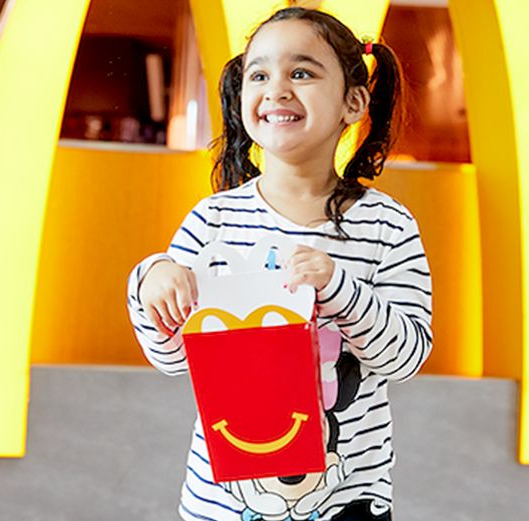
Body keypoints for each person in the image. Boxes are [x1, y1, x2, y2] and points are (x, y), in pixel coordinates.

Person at [126, 7, 432, 521]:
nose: (277, 89)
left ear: (353, 101)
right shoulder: (213, 222)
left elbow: (408, 357)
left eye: (303, 72)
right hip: (222, 507)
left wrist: (338, 287)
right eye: (260, 74)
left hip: (346, 504)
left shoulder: (388, 225)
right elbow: (172, 358)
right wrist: (151, 283)